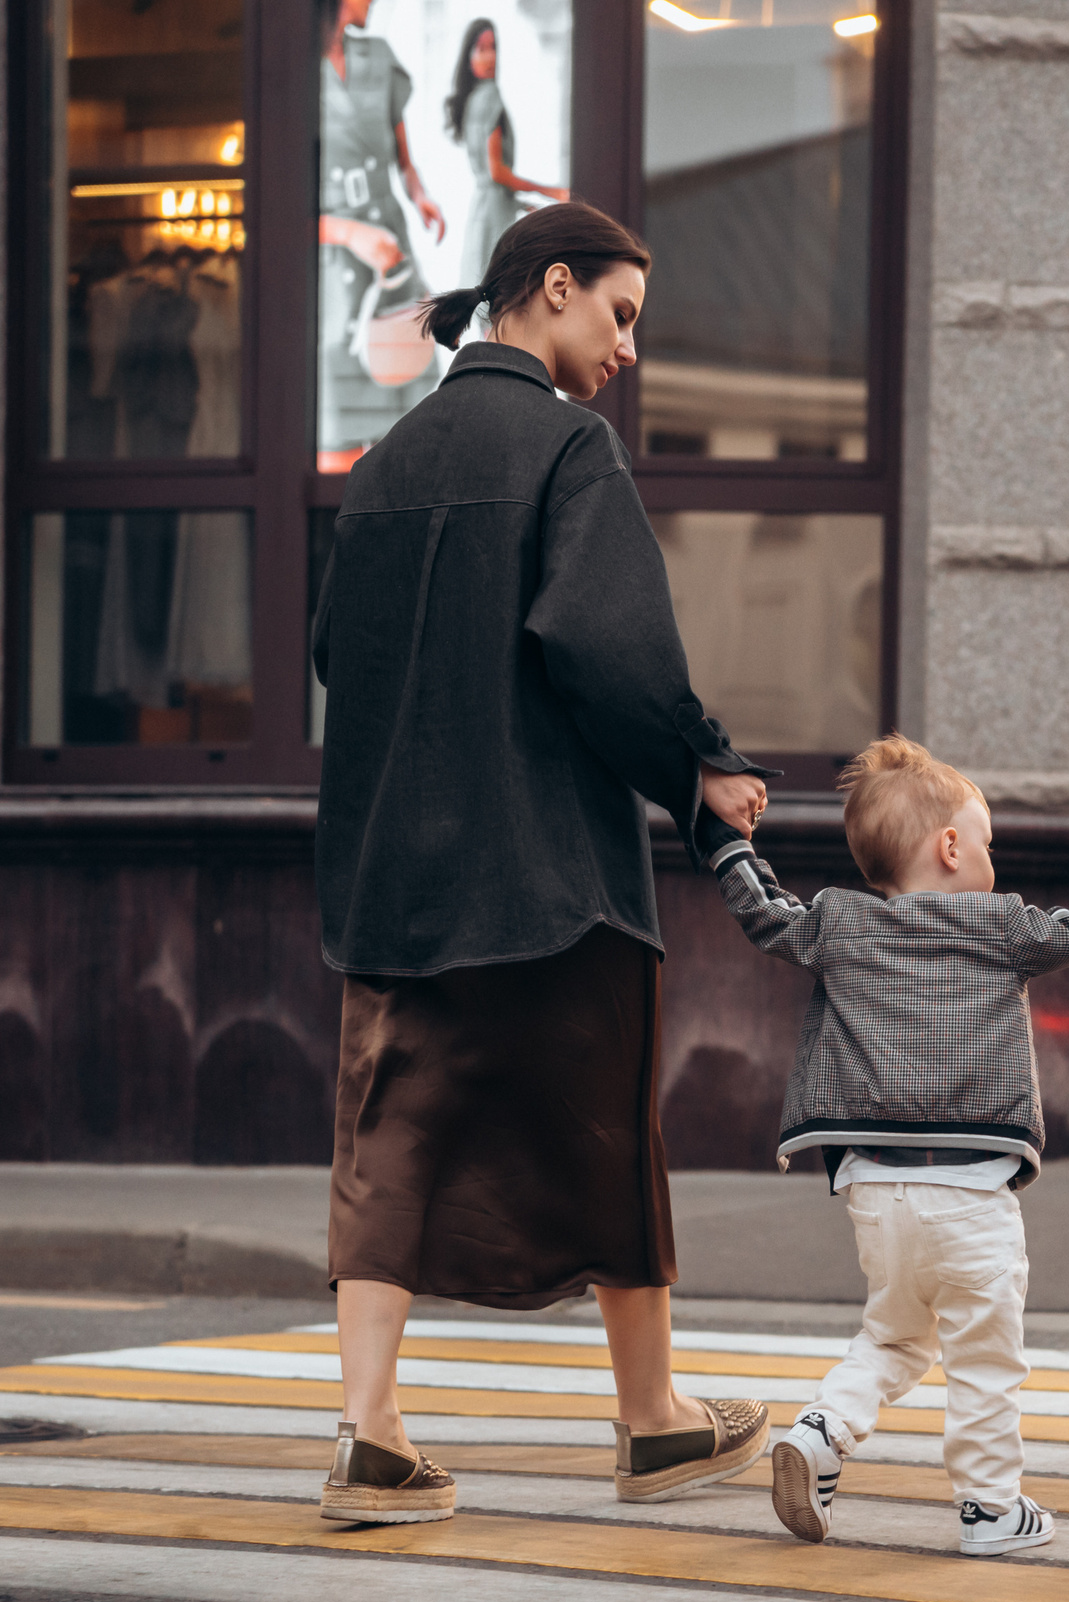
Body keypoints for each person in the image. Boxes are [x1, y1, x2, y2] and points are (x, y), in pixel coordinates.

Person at [311, 202, 775, 1524]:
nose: (627, 347)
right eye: (620, 314)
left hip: (395, 873)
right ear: (553, 287)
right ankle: (653, 1420)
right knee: (606, 1128)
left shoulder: (388, 460)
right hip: (550, 867)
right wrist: (702, 765)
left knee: (388, 1133)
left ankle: (369, 1434)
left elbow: (339, 656)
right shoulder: (572, 448)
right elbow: (610, 651)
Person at [704, 734, 1069, 1555]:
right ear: (952, 846)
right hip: (971, 1195)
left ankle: (822, 1430)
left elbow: (764, 913)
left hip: (876, 1194)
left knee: (892, 1336)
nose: (993, 861)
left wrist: (722, 838)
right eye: (989, 842)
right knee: (984, 1356)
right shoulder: (1000, 926)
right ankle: (991, 1509)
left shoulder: (837, 922)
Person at [317, 0, 447, 472]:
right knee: (339, 446)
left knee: (414, 424)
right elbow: (275, 200)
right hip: (333, 267)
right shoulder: (291, 66)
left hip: (393, 248)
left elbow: (401, 156)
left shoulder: (378, 56)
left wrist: (420, 196)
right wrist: (348, 233)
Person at [447, 20, 566, 287]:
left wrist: (523, 205)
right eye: (481, 49)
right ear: (468, 58)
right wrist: (551, 192)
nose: (490, 56)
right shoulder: (489, 97)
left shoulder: (473, 99)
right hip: (493, 214)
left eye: (493, 47)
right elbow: (497, 173)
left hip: (484, 210)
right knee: (497, 297)